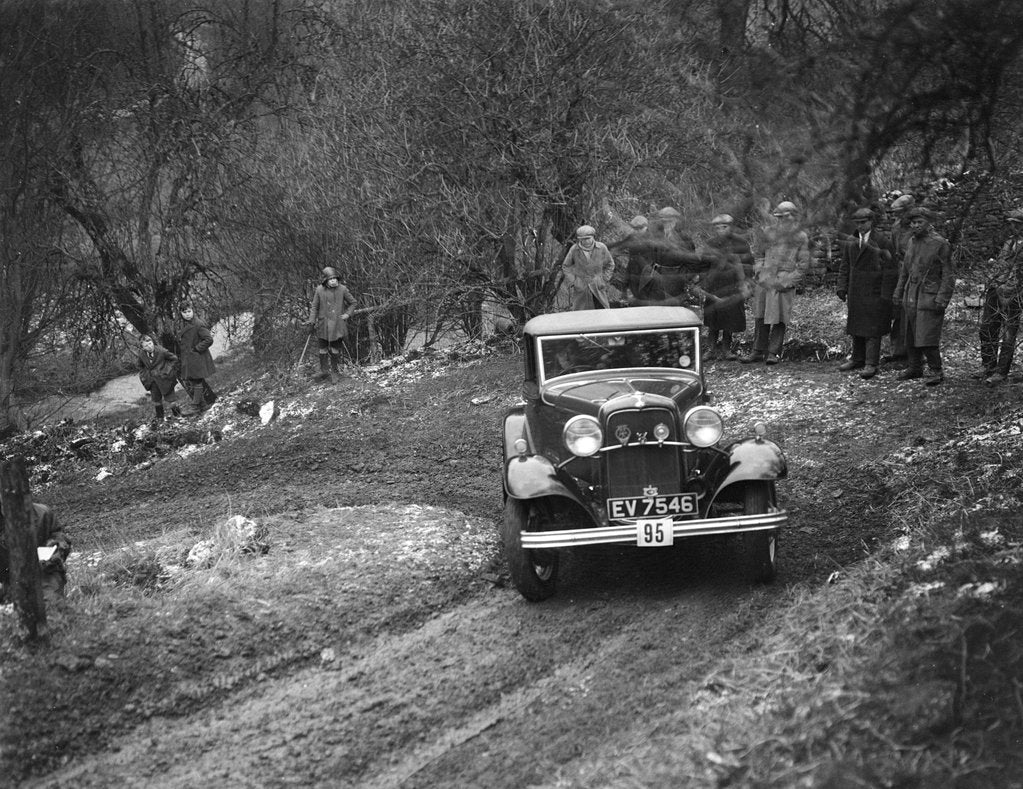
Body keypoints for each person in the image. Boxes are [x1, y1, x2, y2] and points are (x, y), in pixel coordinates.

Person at [740, 201, 811, 365]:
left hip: (783, 280)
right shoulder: (767, 232)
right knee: (760, 315)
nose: (780, 221)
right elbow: (758, 254)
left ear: (794, 217)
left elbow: (803, 265)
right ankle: (757, 351)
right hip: (765, 280)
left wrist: (788, 280)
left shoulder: (800, 237)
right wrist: (759, 271)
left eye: (784, 217)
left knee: (779, 317)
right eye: (778, 217)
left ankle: (773, 352)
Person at [892, 207, 954, 385]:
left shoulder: (940, 244)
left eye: (919, 222)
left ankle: (936, 370)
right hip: (911, 294)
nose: (915, 226)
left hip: (930, 295)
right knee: (910, 332)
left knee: (927, 334)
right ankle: (915, 367)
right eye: (913, 222)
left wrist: (942, 298)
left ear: (929, 223)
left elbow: (948, 274)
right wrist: (898, 291)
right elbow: (905, 270)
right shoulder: (912, 242)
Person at [836, 207, 897, 379]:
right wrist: (842, 286)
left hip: (875, 291)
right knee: (856, 325)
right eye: (858, 223)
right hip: (856, 290)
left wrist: (885, 294)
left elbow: (890, 271)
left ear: (871, 222)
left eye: (864, 222)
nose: (861, 226)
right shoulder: (851, 241)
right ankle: (857, 358)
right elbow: (845, 265)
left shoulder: (883, 242)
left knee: (873, 328)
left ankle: (871, 363)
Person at [973, 208, 1023, 384]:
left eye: (1017, 224)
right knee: (987, 327)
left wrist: (1013, 290)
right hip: (996, 289)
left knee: (1009, 334)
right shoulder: (1009, 243)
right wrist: (992, 281)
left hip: (1015, 294)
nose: (1013, 227)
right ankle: (988, 365)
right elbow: (1001, 265)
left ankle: (1001, 372)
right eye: (1012, 224)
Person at [697, 215, 752, 361]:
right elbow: (703, 265)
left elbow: (748, 265)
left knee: (730, 318)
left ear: (731, 227)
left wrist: (745, 283)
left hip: (733, 285)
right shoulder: (710, 244)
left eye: (724, 227)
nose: (720, 230)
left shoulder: (741, 243)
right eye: (717, 227)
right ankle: (711, 349)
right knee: (713, 318)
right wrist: (704, 283)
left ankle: (727, 349)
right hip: (714, 286)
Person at [0, 502, 72, 606]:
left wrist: (54, 551)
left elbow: (60, 538)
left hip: (43, 572)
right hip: (6, 578)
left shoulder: (42, 513)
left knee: (50, 608)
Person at [307, 266, 357, 381]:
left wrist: (347, 314)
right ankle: (324, 371)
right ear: (326, 280)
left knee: (335, 349)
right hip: (323, 325)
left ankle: (334, 372)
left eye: (335, 278)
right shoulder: (319, 290)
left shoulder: (343, 289)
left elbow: (353, 303)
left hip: (337, 326)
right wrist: (311, 321)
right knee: (322, 349)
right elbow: (314, 307)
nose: (333, 281)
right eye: (331, 279)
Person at [884, 193, 916, 365]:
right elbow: (893, 248)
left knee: (910, 314)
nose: (897, 217)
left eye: (899, 213)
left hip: (914, 273)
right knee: (897, 312)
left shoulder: (917, 226)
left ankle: (913, 354)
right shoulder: (897, 227)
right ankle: (897, 351)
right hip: (899, 272)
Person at [561, 225, 615, 310]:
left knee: (602, 313)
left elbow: (610, 264)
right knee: (582, 315)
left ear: (593, 237)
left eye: (588, 238)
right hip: (581, 287)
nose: (586, 241)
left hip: (598, 286)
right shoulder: (574, 249)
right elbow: (566, 266)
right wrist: (574, 281)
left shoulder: (601, 248)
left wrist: (604, 279)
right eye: (582, 239)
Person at [177, 302, 217, 414]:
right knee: (194, 381)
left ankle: (195, 406)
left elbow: (209, 339)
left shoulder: (198, 324)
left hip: (196, 357)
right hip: (188, 358)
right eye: (184, 312)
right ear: (181, 313)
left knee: (197, 381)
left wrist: (196, 349)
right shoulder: (183, 325)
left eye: (189, 311)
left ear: (192, 311)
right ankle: (203, 405)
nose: (187, 314)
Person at [137, 334, 182, 423]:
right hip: (152, 381)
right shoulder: (142, 355)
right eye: (146, 345)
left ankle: (178, 416)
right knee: (156, 400)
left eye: (150, 343)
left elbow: (174, 359)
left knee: (171, 399)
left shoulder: (161, 351)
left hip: (165, 379)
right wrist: (144, 375)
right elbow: (140, 366)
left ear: (153, 342)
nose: (149, 346)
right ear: (142, 348)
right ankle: (160, 418)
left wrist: (167, 370)